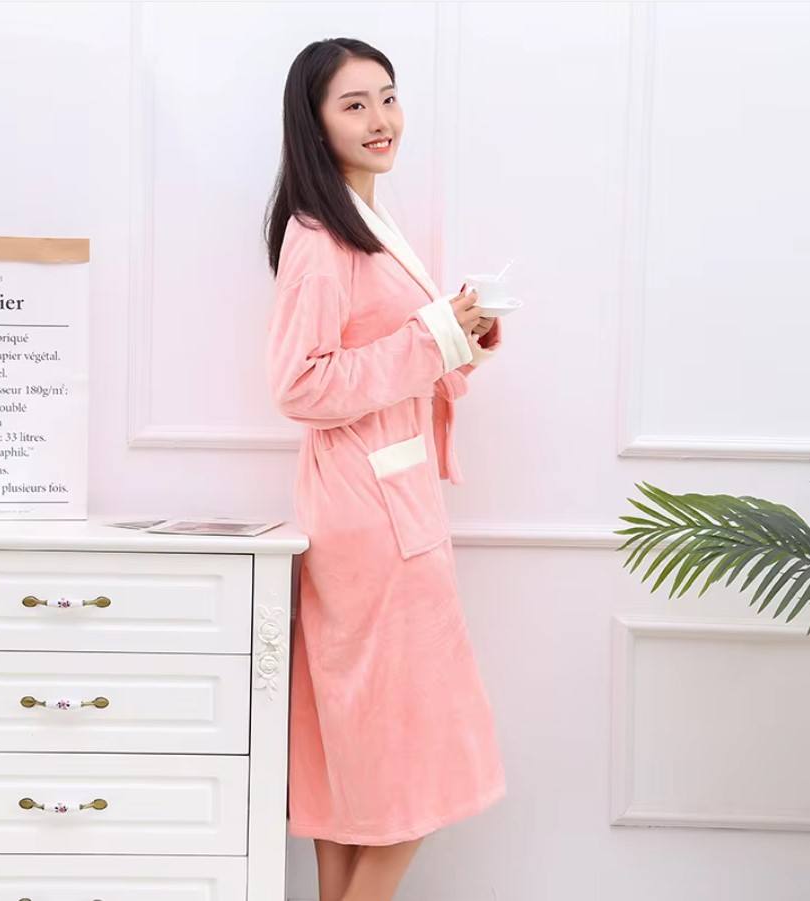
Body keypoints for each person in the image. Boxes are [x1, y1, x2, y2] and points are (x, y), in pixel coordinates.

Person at [263, 37, 507, 901]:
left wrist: (458, 337)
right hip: (370, 515)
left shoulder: (367, 223)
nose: (381, 119)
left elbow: (392, 357)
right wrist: (430, 336)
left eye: (388, 97)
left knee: (362, 751)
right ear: (314, 122)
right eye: (354, 104)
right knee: (413, 748)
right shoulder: (318, 238)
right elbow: (300, 384)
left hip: (378, 498)